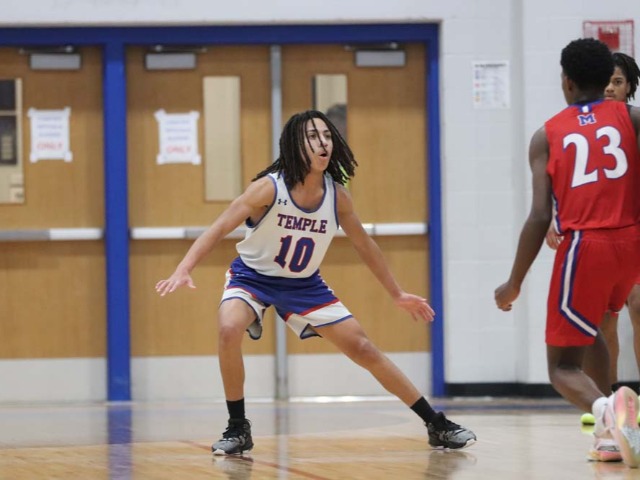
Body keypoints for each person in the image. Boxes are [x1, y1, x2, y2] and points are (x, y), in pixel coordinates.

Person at [156, 110, 476, 455]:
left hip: (303, 285)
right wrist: (184, 268)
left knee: (364, 348)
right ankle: (237, 427)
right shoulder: (268, 188)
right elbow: (219, 227)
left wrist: (396, 293)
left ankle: (436, 424)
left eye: (326, 135)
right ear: (295, 144)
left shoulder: (337, 196)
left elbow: (365, 245)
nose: (323, 142)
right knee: (228, 328)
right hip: (253, 277)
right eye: (312, 136)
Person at [494, 38, 640, 467]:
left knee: (561, 367)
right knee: (592, 328)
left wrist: (514, 282)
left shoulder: (548, 134)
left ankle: (609, 412)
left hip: (585, 245)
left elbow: (541, 215)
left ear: (567, 81)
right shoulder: (633, 118)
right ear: (607, 79)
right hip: (631, 243)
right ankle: (610, 437)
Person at [544, 52, 640, 425]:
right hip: (608, 237)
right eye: (607, 81)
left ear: (629, 86)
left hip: (621, 233)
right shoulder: (572, 127)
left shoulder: (630, 121)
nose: (611, 88)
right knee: (601, 324)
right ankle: (608, 404)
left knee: (637, 307)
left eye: (618, 81)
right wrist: (557, 218)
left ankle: (612, 411)